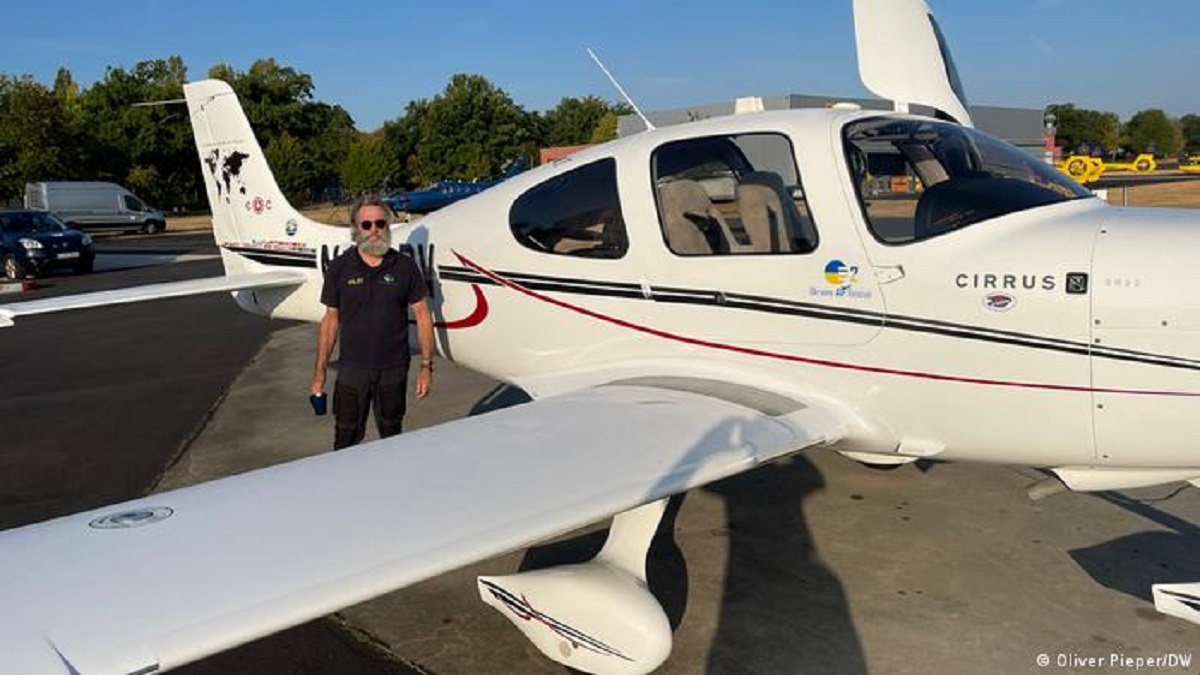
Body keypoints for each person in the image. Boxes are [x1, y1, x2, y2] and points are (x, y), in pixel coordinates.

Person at [310, 194, 435, 449]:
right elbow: (330, 321)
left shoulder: (405, 266)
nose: (374, 230)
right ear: (356, 229)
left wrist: (426, 367)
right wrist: (319, 373)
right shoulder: (339, 268)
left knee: (392, 437)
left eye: (380, 223)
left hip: (394, 369)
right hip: (352, 370)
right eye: (366, 225)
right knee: (346, 438)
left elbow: (423, 315)